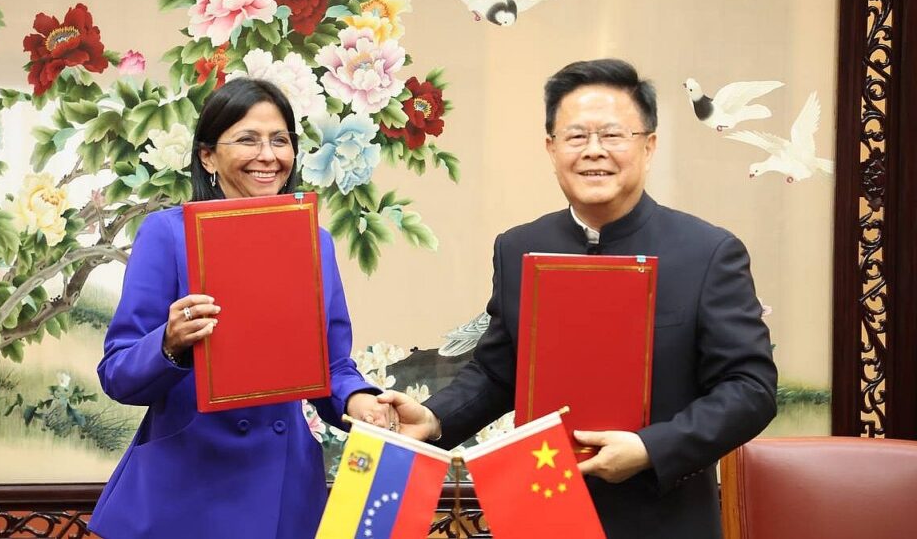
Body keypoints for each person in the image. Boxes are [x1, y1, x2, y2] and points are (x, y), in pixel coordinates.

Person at [381, 59, 778, 538]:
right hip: (543, 510)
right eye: (575, 137)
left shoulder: (708, 252)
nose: (594, 152)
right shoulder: (517, 247)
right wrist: (434, 417)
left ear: (648, 146)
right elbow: (497, 371)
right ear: (551, 149)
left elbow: (749, 389)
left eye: (613, 135)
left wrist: (652, 448)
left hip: (663, 518)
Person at [89, 78, 394, 539]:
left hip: (283, 489)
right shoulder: (166, 235)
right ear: (208, 155)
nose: (268, 155)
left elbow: (330, 365)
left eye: (280, 140)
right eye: (248, 140)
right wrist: (169, 344)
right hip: (185, 489)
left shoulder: (316, 242)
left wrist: (358, 400)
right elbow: (118, 375)